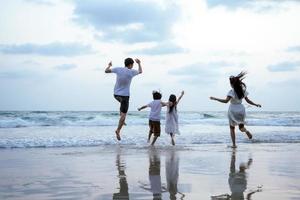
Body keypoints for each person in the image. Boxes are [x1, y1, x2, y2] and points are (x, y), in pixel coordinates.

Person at [210, 72, 261, 148]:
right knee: (241, 127)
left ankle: (234, 145)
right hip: (241, 109)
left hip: (233, 110)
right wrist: (255, 104)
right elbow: (248, 100)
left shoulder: (231, 91)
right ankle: (246, 131)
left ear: (232, 84)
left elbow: (225, 101)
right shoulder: (242, 91)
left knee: (232, 128)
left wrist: (215, 99)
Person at [105, 58, 142, 140]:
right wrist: (139, 63)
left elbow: (106, 71)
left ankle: (122, 119)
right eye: (132, 65)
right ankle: (118, 130)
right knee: (124, 115)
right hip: (125, 96)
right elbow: (140, 71)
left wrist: (109, 65)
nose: (132, 66)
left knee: (122, 105)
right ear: (130, 64)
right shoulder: (132, 72)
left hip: (115, 94)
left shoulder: (118, 69)